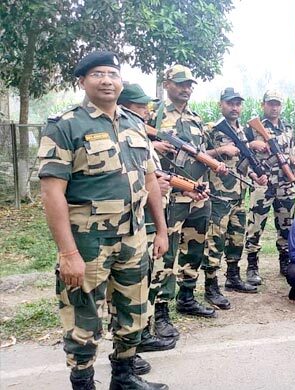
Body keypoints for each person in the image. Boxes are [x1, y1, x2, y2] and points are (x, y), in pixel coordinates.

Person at [38, 51, 168, 389]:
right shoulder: (65, 125)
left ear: (121, 82)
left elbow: (151, 179)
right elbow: (52, 193)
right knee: (84, 321)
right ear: (82, 81)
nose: (107, 80)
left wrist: (161, 230)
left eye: (113, 73)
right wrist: (68, 254)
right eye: (98, 74)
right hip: (88, 243)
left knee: (135, 313)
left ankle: (123, 378)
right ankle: (83, 383)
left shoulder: (134, 123)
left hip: (134, 237)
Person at [150, 64, 228, 322]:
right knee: (167, 252)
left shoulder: (196, 118)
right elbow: (134, 142)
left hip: (198, 194)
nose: (186, 88)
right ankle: (160, 310)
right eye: (181, 83)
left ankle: (186, 297)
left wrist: (216, 163)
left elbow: (202, 153)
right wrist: (154, 144)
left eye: (189, 84)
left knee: (194, 248)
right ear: (167, 84)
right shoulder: (154, 115)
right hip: (169, 195)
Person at [117, 83, 176, 355]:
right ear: (125, 106)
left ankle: (142, 332)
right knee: (133, 284)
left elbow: (149, 174)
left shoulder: (140, 135)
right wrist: (151, 187)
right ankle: (129, 345)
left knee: (149, 278)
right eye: (141, 107)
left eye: (147, 107)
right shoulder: (121, 136)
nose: (148, 112)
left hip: (151, 219)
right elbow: (121, 181)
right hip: (132, 222)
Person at [205, 88, 268, 300]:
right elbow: (196, 154)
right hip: (219, 195)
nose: (235, 108)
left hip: (239, 194)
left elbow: (239, 162)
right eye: (230, 103)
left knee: (236, 239)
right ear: (220, 104)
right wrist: (219, 152)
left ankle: (233, 277)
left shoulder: (240, 131)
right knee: (215, 241)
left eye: (238, 104)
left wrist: (253, 175)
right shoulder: (212, 129)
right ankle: (211, 285)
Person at [243, 90, 295, 284]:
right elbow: (242, 153)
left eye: (277, 104)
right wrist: (253, 144)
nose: (274, 107)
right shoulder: (252, 128)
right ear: (263, 105)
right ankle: (252, 266)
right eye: (270, 103)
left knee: (287, 226)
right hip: (264, 183)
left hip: (286, 184)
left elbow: (292, 153)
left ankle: (284, 262)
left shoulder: (287, 127)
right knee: (255, 225)